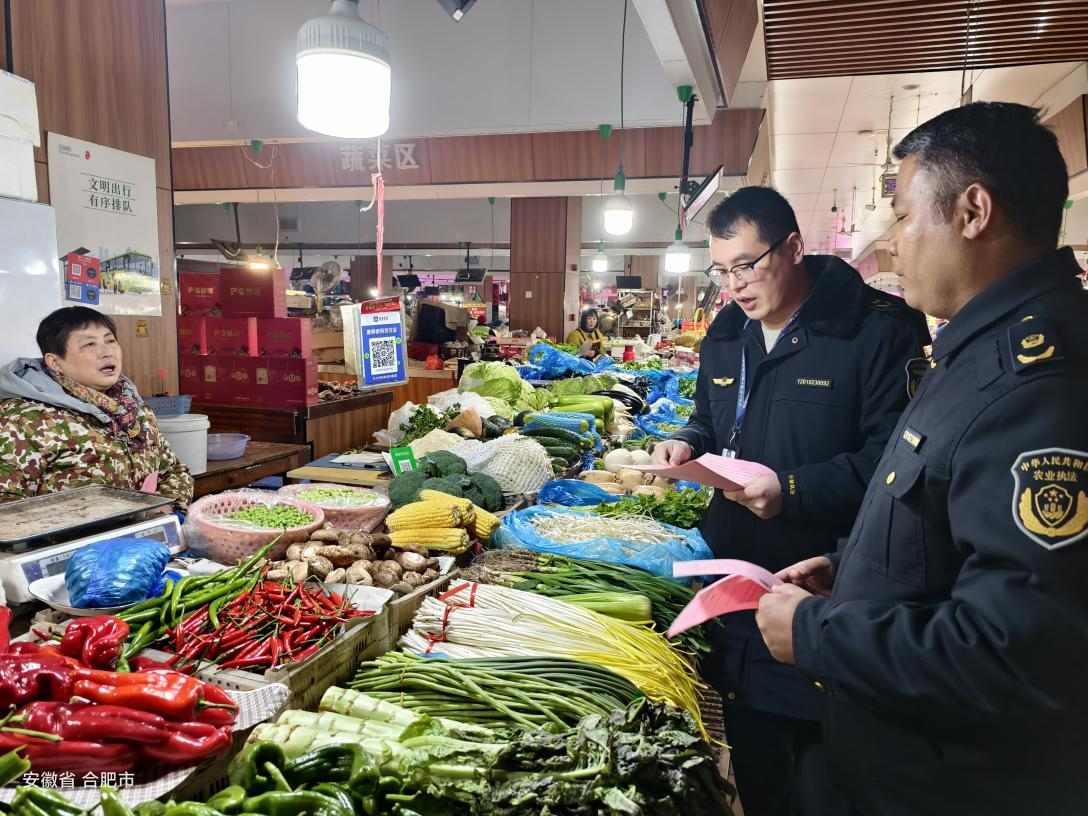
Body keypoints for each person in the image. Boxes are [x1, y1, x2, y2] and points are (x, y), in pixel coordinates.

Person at [757, 102, 1088, 815]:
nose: (893, 246)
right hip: (885, 764)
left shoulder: (1039, 386)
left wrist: (818, 635)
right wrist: (850, 573)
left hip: (943, 785)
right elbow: (951, 529)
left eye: (904, 217)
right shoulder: (975, 355)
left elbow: (1017, 654)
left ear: (973, 211)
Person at [652, 187, 929, 816]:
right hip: (734, 597)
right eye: (721, 271)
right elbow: (710, 419)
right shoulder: (726, 333)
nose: (734, 287)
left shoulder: (876, 330)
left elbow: (899, 464)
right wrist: (685, 443)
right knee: (755, 766)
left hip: (825, 595)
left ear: (795, 247)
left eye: (747, 265)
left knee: (821, 780)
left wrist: (792, 492)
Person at [0, 307, 194, 509]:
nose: (106, 352)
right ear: (55, 362)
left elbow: (174, 470)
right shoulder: (21, 419)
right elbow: (6, 507)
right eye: (90, 344)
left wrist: (167, 506)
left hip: (144, 537)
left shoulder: (131, 408)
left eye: (110, 341)